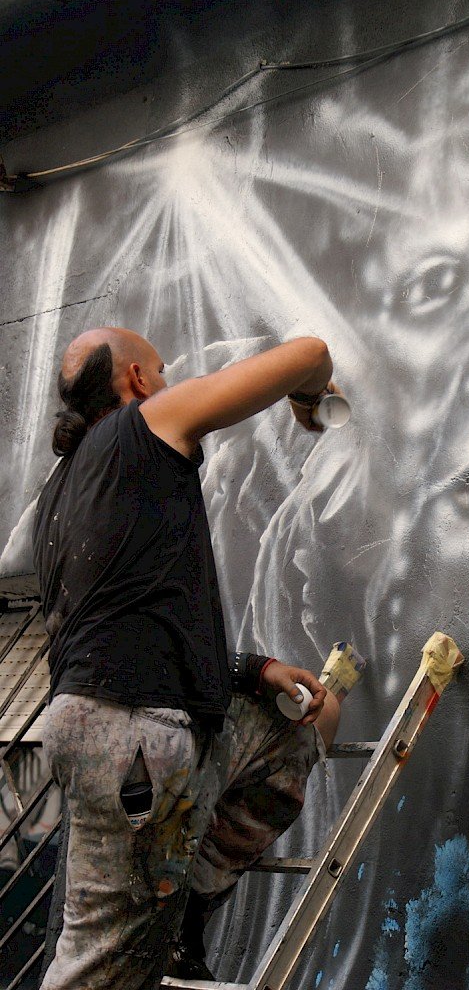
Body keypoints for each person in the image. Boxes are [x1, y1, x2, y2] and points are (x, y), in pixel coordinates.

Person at [32, 327, 357, 990]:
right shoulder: (143, 423)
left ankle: (186, 912)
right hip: (136, 740)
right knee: (101, 966)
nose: (168, 381)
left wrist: (251, 671)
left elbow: (132, 624)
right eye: (160, 368)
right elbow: (310, 353)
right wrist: (307, 398)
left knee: (292, 735)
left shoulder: (60, 496)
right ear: (136, 381)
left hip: (118, 726)